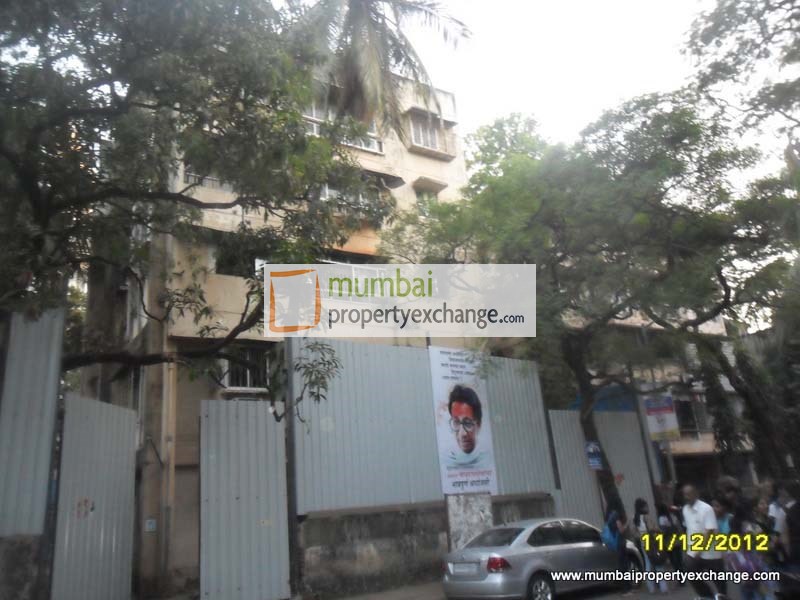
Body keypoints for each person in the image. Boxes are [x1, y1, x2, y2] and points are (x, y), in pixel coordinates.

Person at [682, 484, 727, 598]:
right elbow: (689, 529)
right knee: (692, 575)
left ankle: (721, 596)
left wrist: (700, 549)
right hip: (693, 552)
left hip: (711, 554)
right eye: (685, 494)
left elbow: (709, 531)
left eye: (689, 494)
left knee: (720, 585)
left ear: (696, 494)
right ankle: (708, 596)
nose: (686, 497)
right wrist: (688, 549)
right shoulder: (685, 509)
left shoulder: (706, 509)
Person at [445, 385, 490, 469]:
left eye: (468, 423)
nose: (463, 433)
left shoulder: (487, 460)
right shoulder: (447, 459)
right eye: (456, 422)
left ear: (479, 424)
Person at [633, 498, 668, 594]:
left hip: (643, 542)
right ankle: (663, 588)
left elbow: (635, 533)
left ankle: (651, 588)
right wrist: (658, 531)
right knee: (658, 564)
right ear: (642, 507)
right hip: (652, 542)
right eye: (646, 506)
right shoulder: (646, 517)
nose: (647, 507)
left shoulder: (635, 519)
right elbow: (653, 529)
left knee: (648, 564)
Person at [605, 501, 633, 595]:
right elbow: (621, 530)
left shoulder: (609, 516)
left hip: (616, 544)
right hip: (620, 542)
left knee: (622, 566)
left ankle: (626, 589)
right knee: (624, 566)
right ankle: (626, 590)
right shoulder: (616, 515)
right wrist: (628, 522)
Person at [657, 502, 684, 575]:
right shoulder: (672, 516)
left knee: (674, 561)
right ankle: (682, 573)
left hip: (669, 541)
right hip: (676, 540)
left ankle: (679, 575)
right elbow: (678, 527)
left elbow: (663, 531)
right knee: (679, 559)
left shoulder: (661, 519)